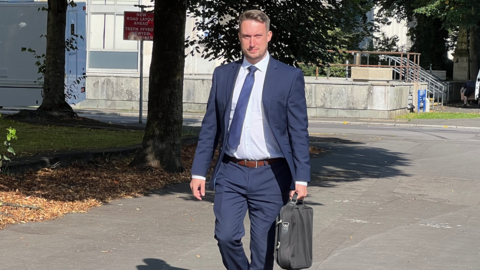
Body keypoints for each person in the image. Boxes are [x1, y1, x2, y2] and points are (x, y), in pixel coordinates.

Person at [190, 10, 310, 270]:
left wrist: (301, 178)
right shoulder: (223, 75)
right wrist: (199, 171)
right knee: (226, 237)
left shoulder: (289, 77)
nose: (252, 42)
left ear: (268, 36)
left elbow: (298, 131)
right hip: (231, 171)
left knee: (263, 250)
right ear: (239, 37)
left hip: (272, 175)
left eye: (257, 36)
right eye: (246, 36)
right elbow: (211, 127)